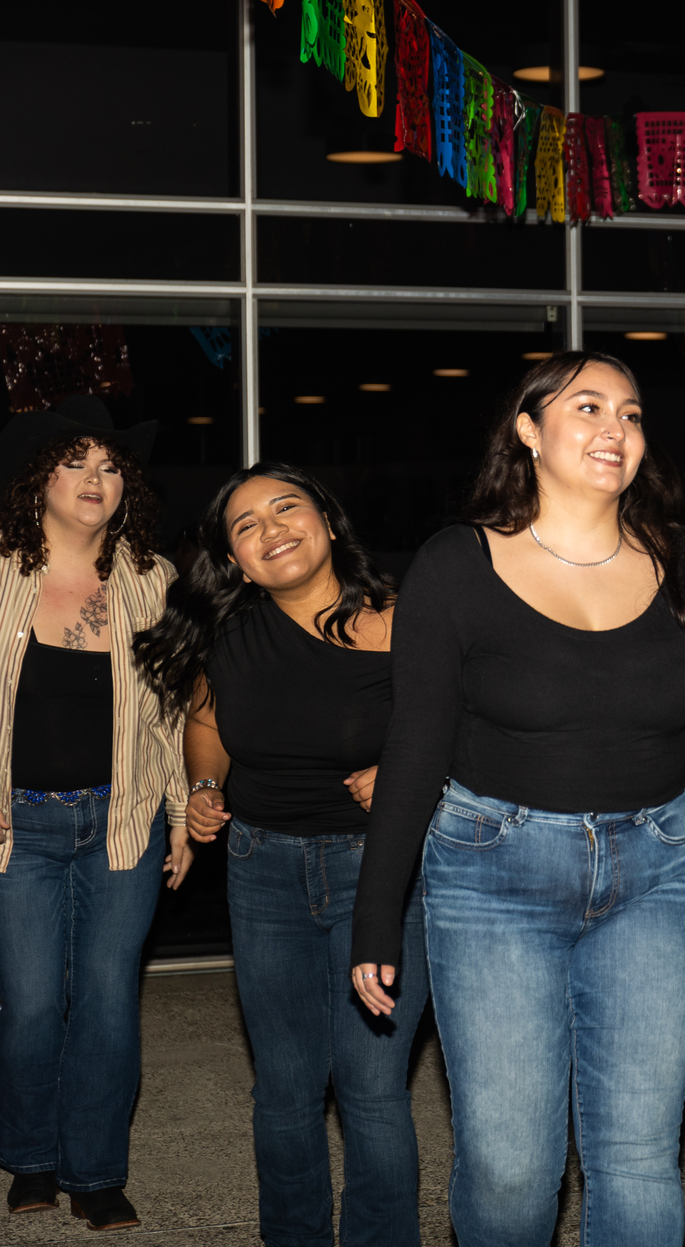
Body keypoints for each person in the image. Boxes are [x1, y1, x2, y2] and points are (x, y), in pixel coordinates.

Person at [349, 353, 685, 1246]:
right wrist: (375, 920)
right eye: (587, 407)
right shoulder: (457, 563)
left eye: (632, 412)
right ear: (529, 432)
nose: (616, 427)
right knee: (509, 1170)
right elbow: (416, 746)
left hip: (660, 871)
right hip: (491, 872)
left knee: (639, 1158)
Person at [132, 462, 425, 1247]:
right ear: (233, 559)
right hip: (263, 870)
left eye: (286, 508)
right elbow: (208, 725)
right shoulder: (227, 632)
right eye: (247, 525)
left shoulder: (408, 620)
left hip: (383, 872)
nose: (272, 530)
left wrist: (402, 771)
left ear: (327, 521)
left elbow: (470, 725)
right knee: (286, 1091)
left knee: (371, 1090)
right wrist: (201, 787)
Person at [0, 396, 190, 1232]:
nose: (95, 478)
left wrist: (183, 815)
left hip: (125, 820)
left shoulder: (153, 578)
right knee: (32, 1004)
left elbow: (175, 709)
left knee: (109, 1002)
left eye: (110, 465)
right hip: (17, 828)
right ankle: (32, 1159)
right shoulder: (0, 571)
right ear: (37, 477)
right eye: (75, 461)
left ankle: (97, 1170)